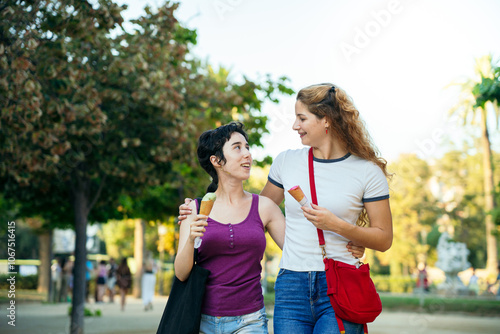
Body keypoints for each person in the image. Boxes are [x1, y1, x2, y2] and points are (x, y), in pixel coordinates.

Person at [179, 83, 392, 334]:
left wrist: (341, 227)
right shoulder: (287, 162)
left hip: (338, 279)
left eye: (302, 118)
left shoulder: (367, 171)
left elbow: (384, 238)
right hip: (292, 284)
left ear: (327, 121)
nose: (294, 126)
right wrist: (198, 210)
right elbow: (253, 214)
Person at [175, 122, 287, 333]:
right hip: (203, 321)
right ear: (216, 161)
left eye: (247, 147)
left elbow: (297, 250)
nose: (247, 155)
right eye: (237, 147)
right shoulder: (194, 209)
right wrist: (191, 239)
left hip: (251, 320)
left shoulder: (265, 207)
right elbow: (181, 273)